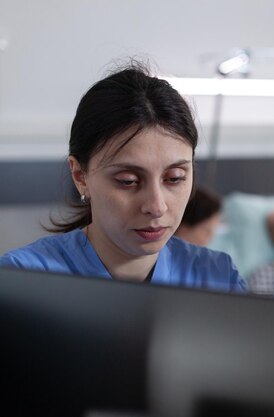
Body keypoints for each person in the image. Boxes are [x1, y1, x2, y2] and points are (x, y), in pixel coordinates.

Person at [0, 63, 246, 293]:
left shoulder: (218, 278)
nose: (156, 207)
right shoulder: (20, 281)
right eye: (128, 181)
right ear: (80, 175)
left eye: (174, 178)